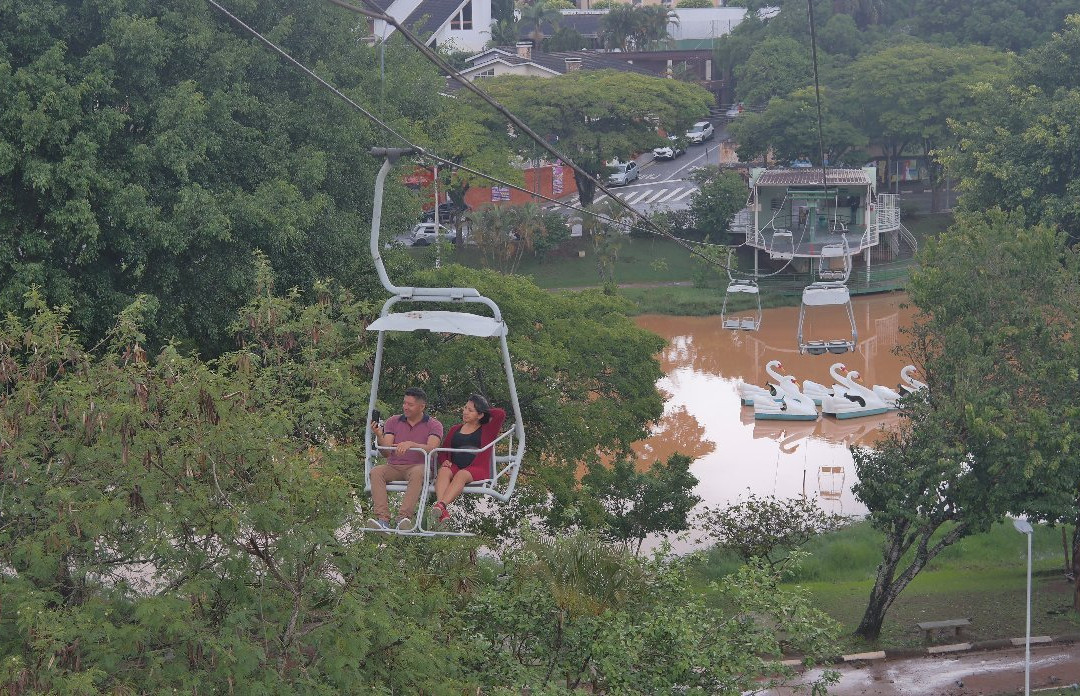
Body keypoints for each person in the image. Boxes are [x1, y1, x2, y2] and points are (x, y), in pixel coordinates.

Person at [368, 387, 443, 530]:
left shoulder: (433, 425)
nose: (405, 407)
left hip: (419, 467)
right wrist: (379, 435)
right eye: (404, 403)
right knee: (376, 472)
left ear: (422, 407)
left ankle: (403, 518)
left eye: (410, 404)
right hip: (395, 466)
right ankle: (383, 519)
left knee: (418, 472)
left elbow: (432, 449)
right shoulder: (393, 421)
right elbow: (386, 452)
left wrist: (412, 444)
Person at [430, 394, 507, 526]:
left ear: (480, 415)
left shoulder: (487, 430)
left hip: (476, 469)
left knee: (462, 474)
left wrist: (484, 410)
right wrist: (444, 461)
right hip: (455, 466)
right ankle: (442, 510)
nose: (465, 412)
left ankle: (441, 504)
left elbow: (500, 414)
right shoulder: (455, 429)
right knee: (443, 470)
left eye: (470, 410)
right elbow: (444, 451)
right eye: (465, 408)